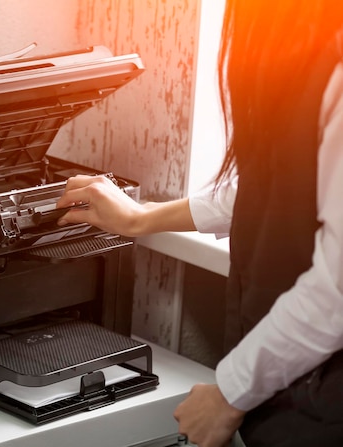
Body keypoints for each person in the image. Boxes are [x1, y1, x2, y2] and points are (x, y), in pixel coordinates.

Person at [56, 1, 343, 446]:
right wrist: (141, 216)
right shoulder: (301, 55)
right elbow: (279, 183)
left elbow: (337, 286)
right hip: (289, 391)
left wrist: (230, 394)